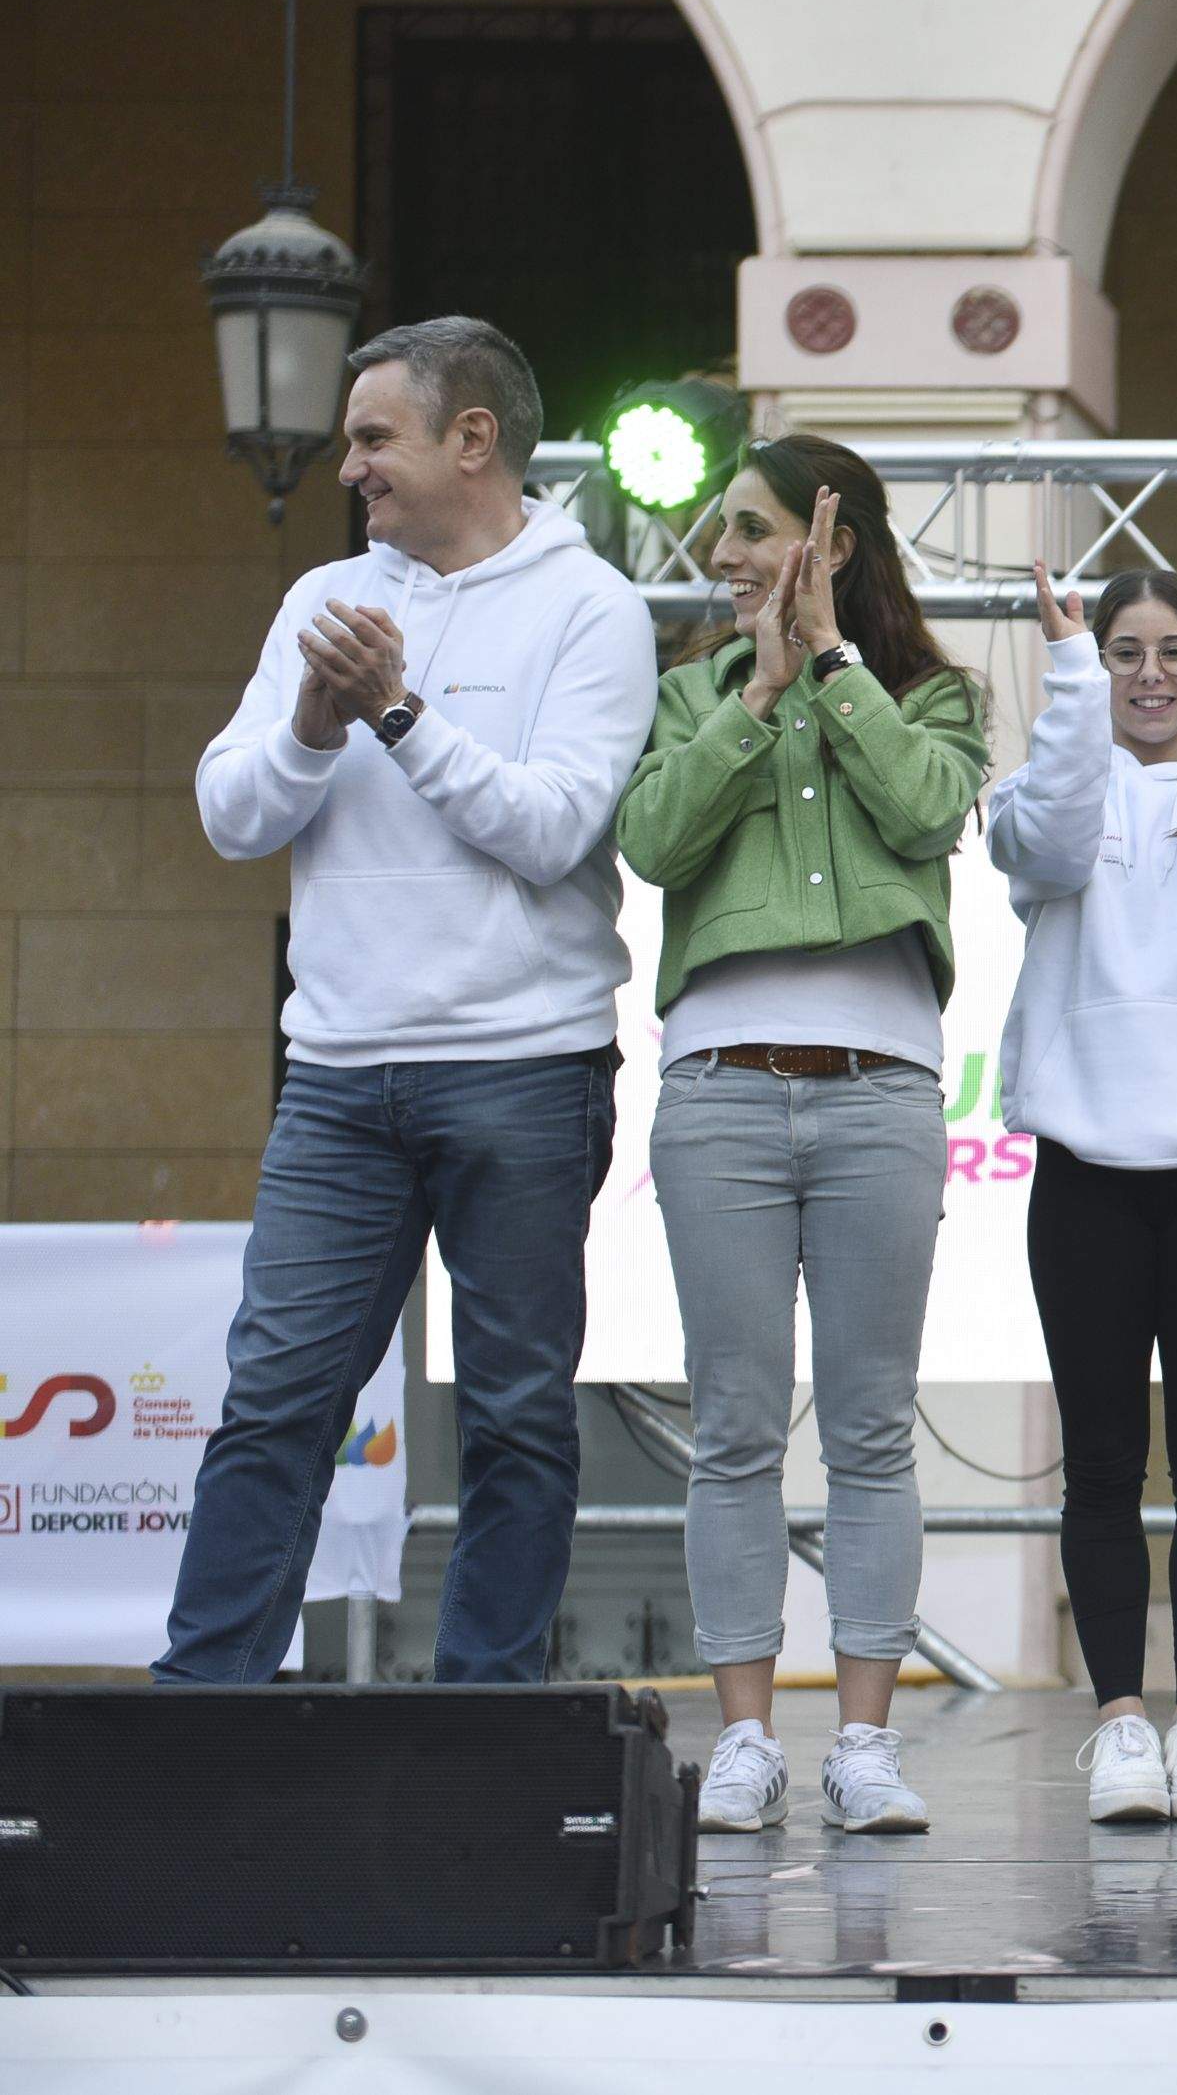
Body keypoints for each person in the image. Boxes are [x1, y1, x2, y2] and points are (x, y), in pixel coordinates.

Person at [165, 316, 655, 1685]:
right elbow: (226, 811)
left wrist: (397, 712)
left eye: (376, 436)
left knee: (514, 1416)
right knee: (273, 1403)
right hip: (335, 1073)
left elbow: (556, 827)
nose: (352, 466)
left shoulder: (592, 607)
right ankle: (197, 1714)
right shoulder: (321, 600)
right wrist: (316, 721)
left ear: (473, 439)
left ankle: (480, 1728)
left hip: (523, 1066)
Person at [615, 435, 988, 1837]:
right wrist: (756, 695)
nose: (721, 558)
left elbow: (932, 806)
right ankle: (749, 1738)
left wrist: (830, 671)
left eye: (750, 530)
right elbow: (649, 841)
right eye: (721, 534)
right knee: (732, 1426)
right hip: (718, 1086)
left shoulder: (931, 692)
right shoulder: (687, 692)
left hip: (880, 1086)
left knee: (875, 1425)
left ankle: (869, 1744)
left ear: (830, 544)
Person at [988, 544, 1177, 1825]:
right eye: (1127, 652)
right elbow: (1053, 847)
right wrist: (1067, 671)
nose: (1151, 675)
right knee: (1102, 1466)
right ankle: (1120, 1720)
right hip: (1083, 1173)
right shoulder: (1041, 785)